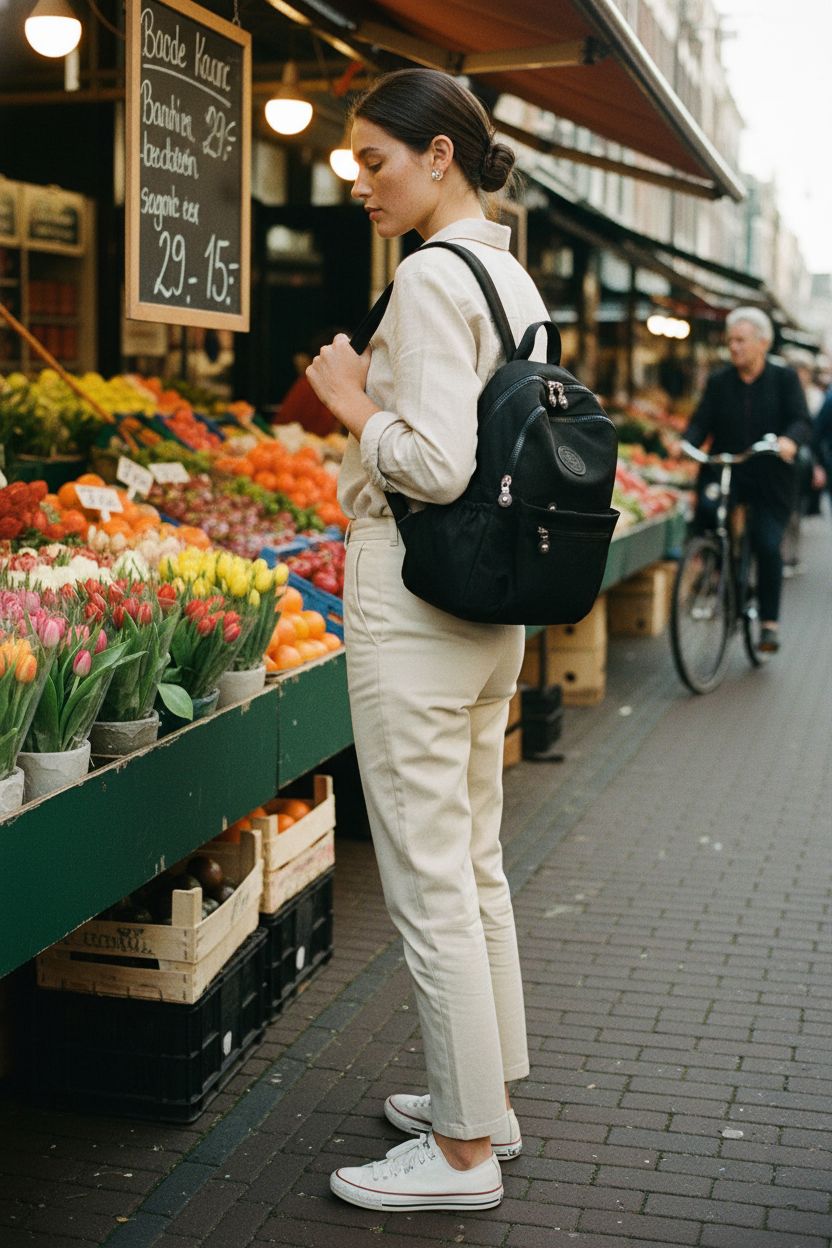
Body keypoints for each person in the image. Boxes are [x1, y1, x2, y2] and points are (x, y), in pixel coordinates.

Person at [306, 68, 547, 1213]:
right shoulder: (511, 278)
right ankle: (484, 1104)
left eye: (375, 161)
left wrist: (353, 400)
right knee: (476, 866)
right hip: (489, 612)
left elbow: (437, 464)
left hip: (416, 607)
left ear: (439, 154)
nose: (360, 183)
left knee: (428, 881)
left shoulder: (426, 279)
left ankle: (459, 1158)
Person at [683, 308, 811, 653]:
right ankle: (715, 567)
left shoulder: (784, 380)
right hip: (729, 470)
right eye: (731, 341)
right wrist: (686, 443)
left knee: (768, 544)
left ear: (763, 343)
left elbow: (801, 420)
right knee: (709, 516)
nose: (734, 347)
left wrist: (790, 441)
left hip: (771, 475)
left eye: (741, 340)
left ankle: (769, 622)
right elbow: (700, 422)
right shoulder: (719, 381)